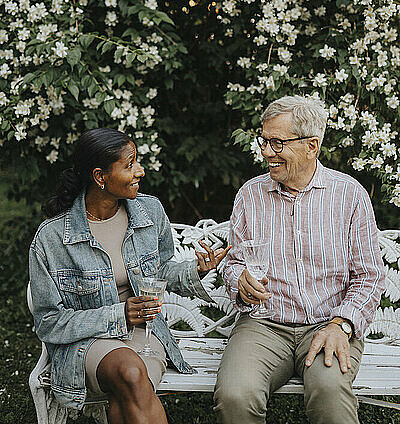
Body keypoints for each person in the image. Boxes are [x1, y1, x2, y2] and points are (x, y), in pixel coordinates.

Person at [29, 128, 229, 424]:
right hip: (87, 342)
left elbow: (159, 272)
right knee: (130, 372)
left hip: (145, 336)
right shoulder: (52, 238)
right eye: (130, 164)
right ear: (100, 177)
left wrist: (197, 270)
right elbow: (49, 322)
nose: (140, 171)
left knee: (131, 384)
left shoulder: (149, 212)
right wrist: (119, 314)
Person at [214, 95, 385, 424]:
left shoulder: (349, 195)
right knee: (236, 394)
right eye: (264, 141)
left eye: (277, 143)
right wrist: (239, 282)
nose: (266, 152)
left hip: (327, 323)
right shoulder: (250, 194)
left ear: (311, 146)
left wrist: (341, 325)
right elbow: (234, 262)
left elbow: (370, 276)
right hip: (263, 325)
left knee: (330, 391)